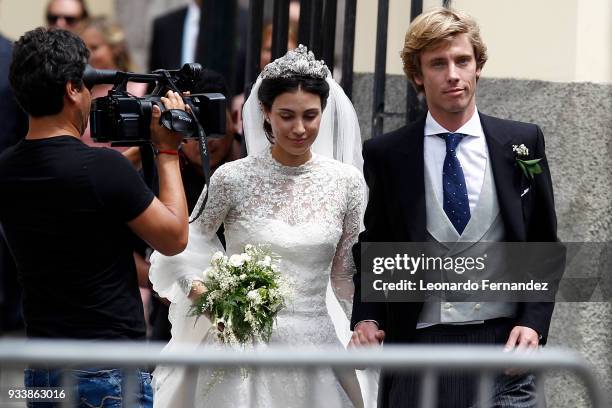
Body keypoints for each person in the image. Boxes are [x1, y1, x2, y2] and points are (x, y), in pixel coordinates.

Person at [349, 8, 560, 408]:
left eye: (463, 60)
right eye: (438, 63)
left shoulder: (522, 141)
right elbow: (377, 245)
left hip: (503, 347)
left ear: (478, 66)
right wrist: (368, 318)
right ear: (417, 74)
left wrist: (533, 324)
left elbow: (543, 244)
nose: (453, 74)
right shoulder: (388, 154)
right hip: (419, 344)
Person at [149, 45, 365, 407]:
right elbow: (182, 245)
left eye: (311, 116)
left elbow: (343, 275)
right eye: (287, 116)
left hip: (315, 341)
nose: (300, 128)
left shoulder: (348, 183)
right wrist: (210, 301)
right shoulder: (232, 178)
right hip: (240, 344)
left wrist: (361, 325)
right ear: (265, 112)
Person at [0, 27, 189, 406]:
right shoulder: (101, 168)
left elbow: (71, 189)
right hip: (108, 371)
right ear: (72, 88)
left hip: (42, 370)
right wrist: (167, 152)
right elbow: (174, 237)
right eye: (85, 85)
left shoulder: (6, 168)